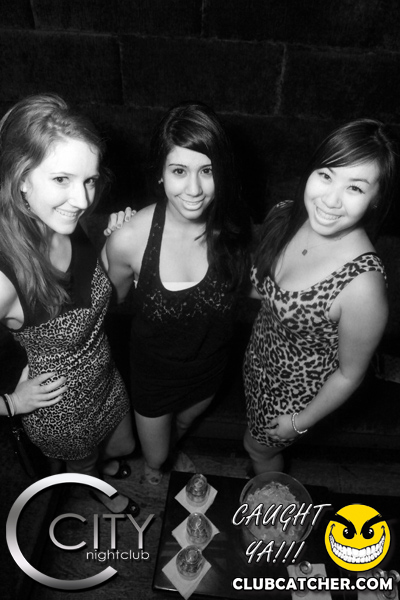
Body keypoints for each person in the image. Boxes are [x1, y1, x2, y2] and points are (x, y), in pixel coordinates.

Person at [0, 94, 139, 515]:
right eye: (61, 179)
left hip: (104, 375)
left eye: (89, 180)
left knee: (123, 445)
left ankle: (100, 468)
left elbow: (95, 298)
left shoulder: (63, 222)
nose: (81, 199)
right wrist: (11, 404)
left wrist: (115, 248)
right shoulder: (5, 276)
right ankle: (95, 486)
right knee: (85, 463)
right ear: (21, 178)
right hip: (63, 407)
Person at [103, 101, 251, 484]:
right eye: (179, 171)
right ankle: (156, 467)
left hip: (209, 369)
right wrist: (104, 249)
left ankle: (167, 456)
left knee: (184, 424)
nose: (194, 189)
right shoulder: (129, 239)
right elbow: (113, 302)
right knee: (156, 454)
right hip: (154, 377)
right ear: (161, 174)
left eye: (207, 171)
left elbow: (250, 287)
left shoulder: (232, 229)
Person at [243, 119, 399, 474]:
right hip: (258, 358)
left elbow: (349, 374)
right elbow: (263, 290)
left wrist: (298, 422)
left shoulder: (362, 285)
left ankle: (269, 498)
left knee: (257, 449)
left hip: (294, 394)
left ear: (376, 199)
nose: (330, 200)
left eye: (355, 187)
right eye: (326, 175)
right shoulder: (286, 215)